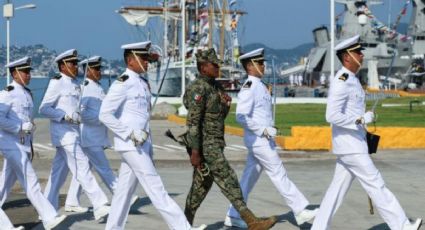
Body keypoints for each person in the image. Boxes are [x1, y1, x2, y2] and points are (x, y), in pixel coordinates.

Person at [311, 35, 422, 230]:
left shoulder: (352, 79)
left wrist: (363, 117)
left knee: (336, 191)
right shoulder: (342, 80)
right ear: (347, 57)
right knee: (376, 183)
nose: (362, 55)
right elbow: (331, 115)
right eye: (357, 52)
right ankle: (402, 225)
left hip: (352, 144)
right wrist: (360, 120)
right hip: (351, 146)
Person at [99, 41, 206, 230]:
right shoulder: (122, 83)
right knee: (156, 188)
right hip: (131, 145)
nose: (147, 62)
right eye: (143, 58)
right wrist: (129, 133)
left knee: (123, 192)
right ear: (131, 60)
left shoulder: (142, 82)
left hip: (143, 144)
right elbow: (104, 114)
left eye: (147, 58)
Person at [183, 48, 277, 230]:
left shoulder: (216, 87)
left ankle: (183, 223)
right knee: (229, 179)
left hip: (216, 142)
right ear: (203, 68)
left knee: (200, 188)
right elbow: (193, 122)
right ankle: (251, 221)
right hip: (205, 145)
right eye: (214, 64)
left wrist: (225, 105)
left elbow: (217, 117)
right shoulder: (198, 88)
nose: (218, 67)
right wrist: (195, 152)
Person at [224, 48, 317, 228]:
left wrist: (268, 129)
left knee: (248, 179)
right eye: (259, 63)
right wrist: (264, 131)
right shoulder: (249, 87)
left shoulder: (259, 85)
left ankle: (233, 213)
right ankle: (299, 210)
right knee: (278, 173)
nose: (263, 65)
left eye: (262, 62)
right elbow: (241, 116)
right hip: (259, 140)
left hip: (262, 140)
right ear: (250, 66)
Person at [39, 49, 110, 220]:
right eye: (71, 63)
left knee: (58, 175)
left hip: (74, 134)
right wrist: (64, 116)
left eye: (75, 63)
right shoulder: (57, 82)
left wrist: (75, 116)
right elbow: (44, 109)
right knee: (82, 165)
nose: (75, 66)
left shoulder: (75, 84)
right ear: (62, 66)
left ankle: (46, 211)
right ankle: (99, 203)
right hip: (63, 135)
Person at [64, 56, 138, 212]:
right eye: (96, 69)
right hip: (89, 136)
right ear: (88, 70)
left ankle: (71, 201)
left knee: (84, 169)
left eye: (100, 68)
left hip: (97, 136)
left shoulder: (97, 87)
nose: (99, 72)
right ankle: (123, 196)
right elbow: (81, 114)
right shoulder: (85, 87)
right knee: (104, 168)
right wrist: (101, 120)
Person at [0, 57, 66, 229]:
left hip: (23, 145)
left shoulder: (27, 93)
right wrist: (19, 127)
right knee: (31, 182)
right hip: (11, 145)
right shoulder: (8, 93)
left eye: (29, 72)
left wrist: (28, 135)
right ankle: (49, 216)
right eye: (25, 72)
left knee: (3, 187)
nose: (29, 75)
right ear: (14, 74)